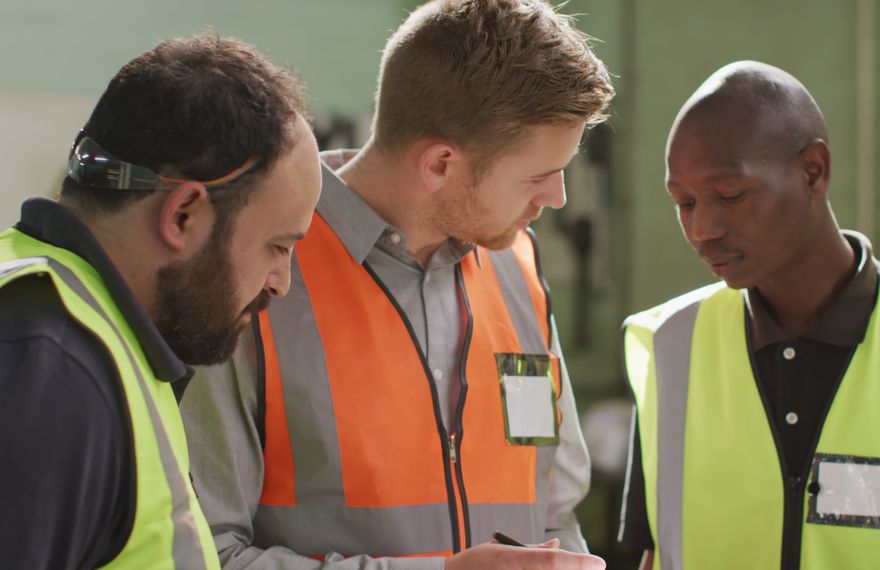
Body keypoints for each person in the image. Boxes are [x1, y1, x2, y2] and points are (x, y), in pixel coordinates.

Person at [179, 1, 615, 569]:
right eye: (538, 176)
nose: (556, 198)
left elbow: (556, 517)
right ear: (440, 164)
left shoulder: (519, 268)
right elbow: (207, 555)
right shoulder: (256, 276)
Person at [618, 61, 880, 570]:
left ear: (814, 170)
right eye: (685, 202)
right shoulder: (667, 344)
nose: (702, 229)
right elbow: (657, 552)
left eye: (730, 195)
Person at [0, 33, 322, 569]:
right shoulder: (52, 370)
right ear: (182, 216)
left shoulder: (77, 335)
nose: (280, 282)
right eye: (278, 246)